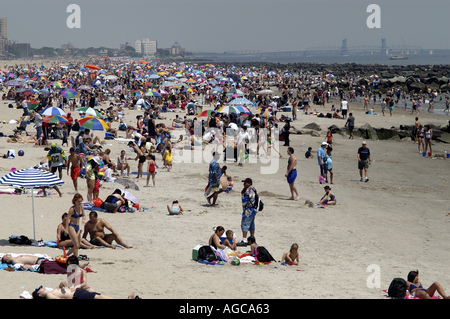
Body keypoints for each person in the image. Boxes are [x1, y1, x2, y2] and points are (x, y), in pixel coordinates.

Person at [32, 285, 135, 299]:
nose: (42, 287)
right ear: (40, 294)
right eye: (40, 289)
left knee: (102, 296)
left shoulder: (51, 292)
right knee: (101, 297)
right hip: (77, 296)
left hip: (78, 293)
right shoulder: (49, 295)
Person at [237, 178, 257, 247]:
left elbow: (244, 201)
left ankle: (244, 240)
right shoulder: (253, 189)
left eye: (245, 183)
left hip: (247, 210)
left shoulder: (248, 190)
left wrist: (242, 195)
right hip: (253, 210)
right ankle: (252, 239)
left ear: (249, 183)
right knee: (251, 225)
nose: (244, 184)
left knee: (245, 224)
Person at [65, 193, 86, 258]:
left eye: (81, 201)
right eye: (78, 201)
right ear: (75, 201)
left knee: (78, 245)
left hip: (78, 227)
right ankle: (75, 259)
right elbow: (68, 218)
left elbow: (84, 215)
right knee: (76, 245)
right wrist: (66, 229)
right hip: (72, 226)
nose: (80, 203)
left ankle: (66, 255)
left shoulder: (81, 207)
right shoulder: (72, 209)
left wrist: (83, 219)